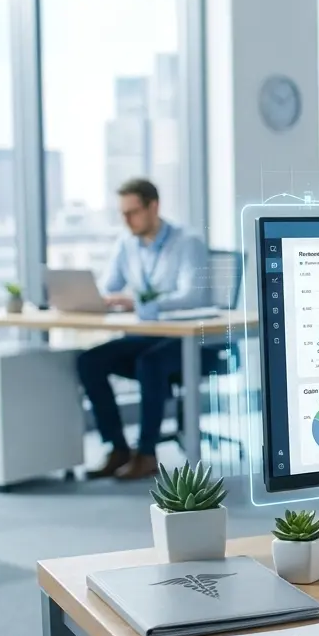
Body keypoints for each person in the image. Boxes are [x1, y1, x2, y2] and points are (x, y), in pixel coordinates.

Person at [76, 178, 210, 480]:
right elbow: (109, 286)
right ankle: (118, 448)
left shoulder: (188, 243)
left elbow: (193, 296)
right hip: (147, 336)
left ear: (154, 206)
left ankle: (147, 453)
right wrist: (94, 298)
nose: (126, 220)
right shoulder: (126, 244)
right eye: (122, 214)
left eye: (132, 212)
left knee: (150, 363)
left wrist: (138, 304)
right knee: (89, 361)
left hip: (189, 339)